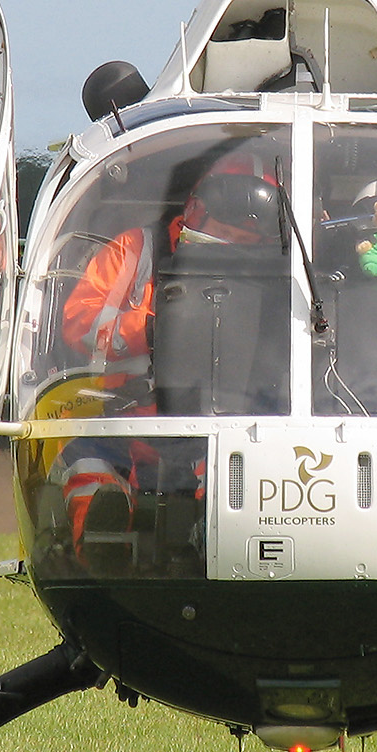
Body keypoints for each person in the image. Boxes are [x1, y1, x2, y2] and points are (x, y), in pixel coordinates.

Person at [51, 149, 282, 557]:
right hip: (130, 420)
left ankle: (213, 547)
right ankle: (103, 552)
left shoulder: (281, 275)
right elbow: (78, 322)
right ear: (196, 210)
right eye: (225, 233)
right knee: (86, 461)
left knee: (236, 474)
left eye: (245, 242)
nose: (230, 247)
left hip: (228, 427)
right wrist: (155, 328)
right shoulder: (138, 250)